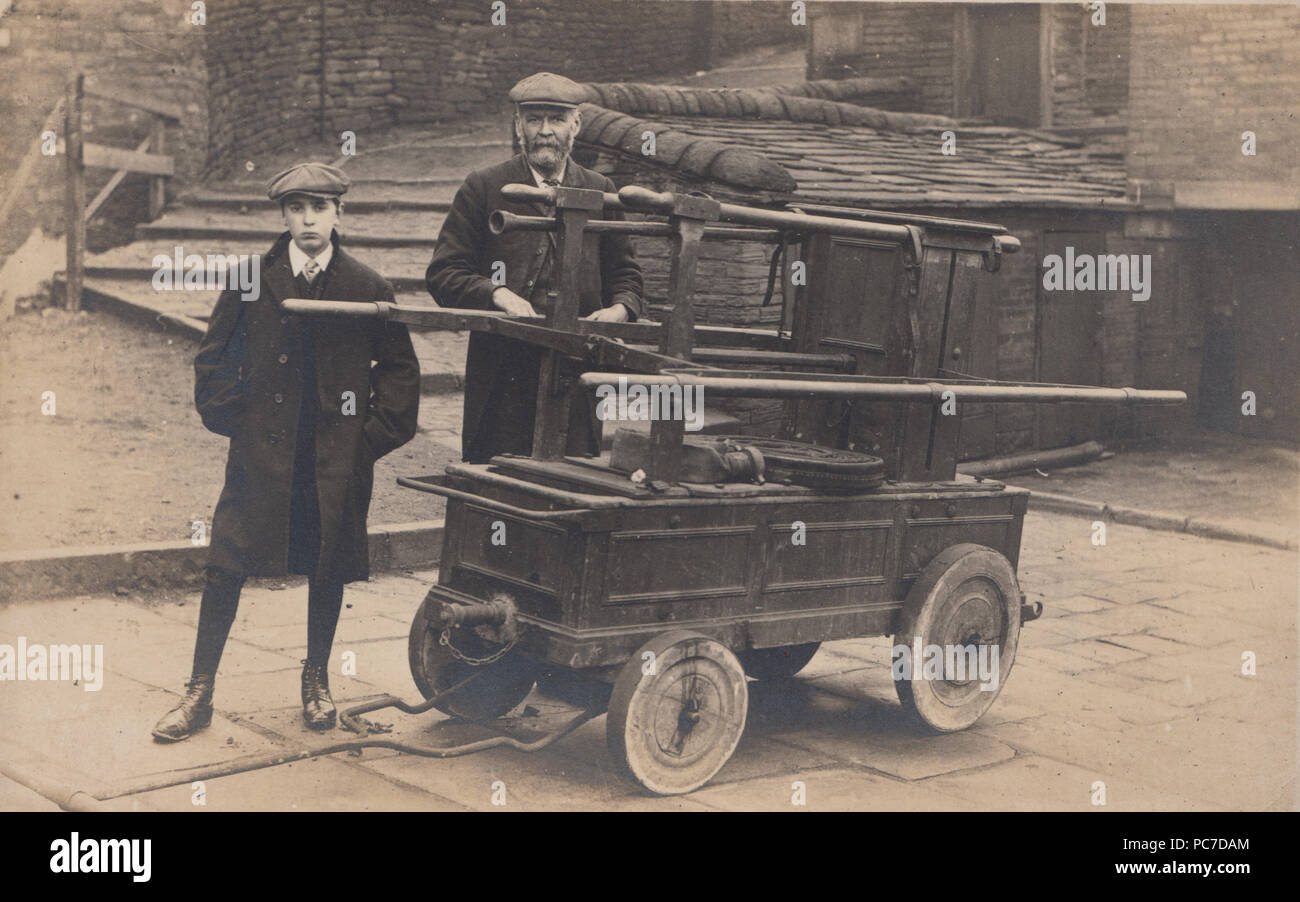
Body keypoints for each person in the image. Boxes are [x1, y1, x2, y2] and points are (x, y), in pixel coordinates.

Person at [152, 162, 420, 741]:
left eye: (319, 208)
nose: (307, 220)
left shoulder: (368, 287)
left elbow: (399, 377)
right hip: (262, 454)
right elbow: (213, 360)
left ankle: (317, 680)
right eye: (296, 208)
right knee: (227, 563)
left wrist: (363, 442)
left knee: (327, 565)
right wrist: (239, 424)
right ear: (282, 215)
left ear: (338, 214)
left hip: (332, 459)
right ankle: (198, 691)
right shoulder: (252, 277)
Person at [425, 72, 644, 463]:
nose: (545, 132)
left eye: (557, 119)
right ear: (518, 126)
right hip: (503, 370)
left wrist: (620, 309)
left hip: (576, 369)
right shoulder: (484, 187)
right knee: (498, 482)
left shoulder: (600, 189)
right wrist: (498, 294)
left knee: (568, 485)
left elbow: (626, 277)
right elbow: (444, 272)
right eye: (533, 119)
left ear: (576, 125)